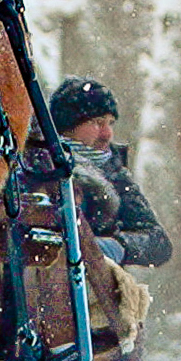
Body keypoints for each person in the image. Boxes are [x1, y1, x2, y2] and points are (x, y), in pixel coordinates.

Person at [47, 78, 173, 269]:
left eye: (110, 123)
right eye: (97, 123)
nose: (107, 134)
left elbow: (158, 242)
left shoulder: (114, 172)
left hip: (97, 290)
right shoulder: (38, 166)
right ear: (68, 126)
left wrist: (117, 246)